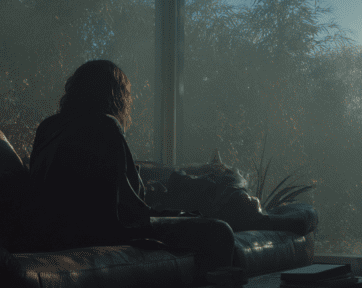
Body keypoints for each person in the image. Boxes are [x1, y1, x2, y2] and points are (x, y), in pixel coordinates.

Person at [24, 60, 233, 273]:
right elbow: (129, 208)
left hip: (48, 234)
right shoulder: (105, 125)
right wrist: (175, 211)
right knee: (218, 231)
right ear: (116, 95)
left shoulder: (47, 128)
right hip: (100, 232)